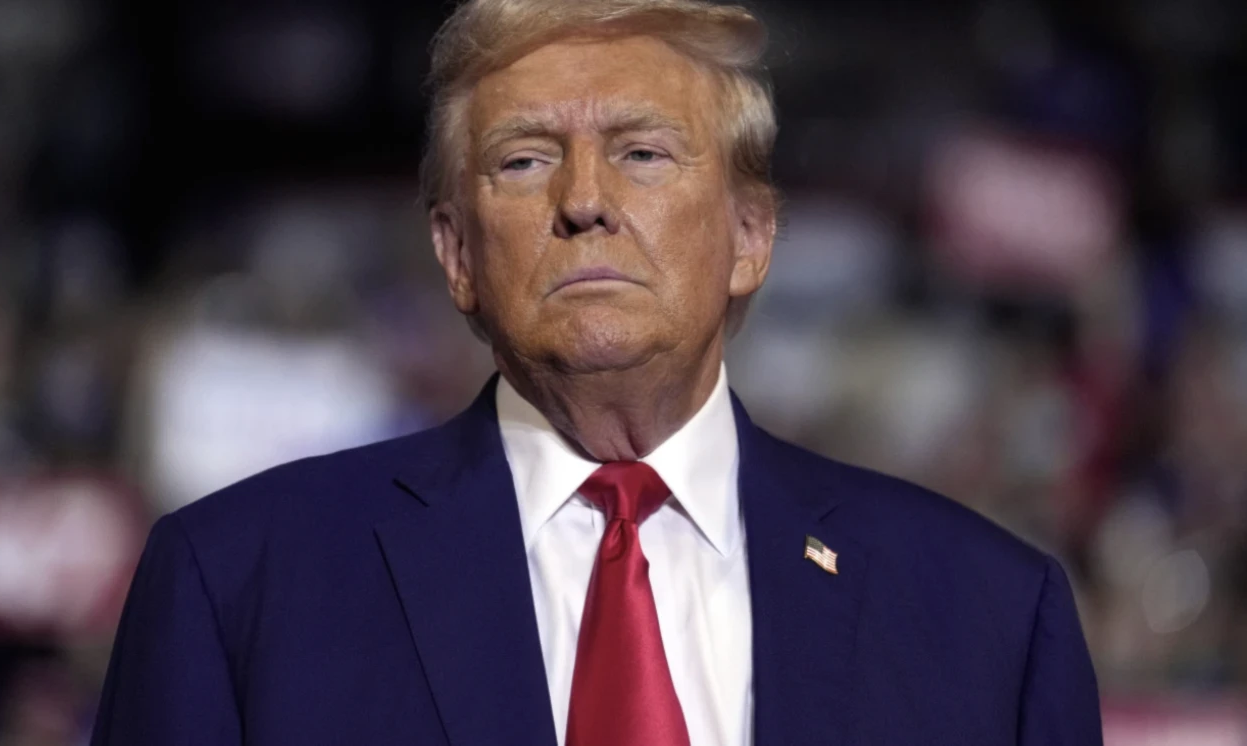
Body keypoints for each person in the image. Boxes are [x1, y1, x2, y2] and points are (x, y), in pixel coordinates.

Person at [90, 0, 1103, 744]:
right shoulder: (237, 586)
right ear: (455, 252)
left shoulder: (988, 615)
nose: (584, 200)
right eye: (524, 159)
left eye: (643, 153)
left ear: (750, 235)